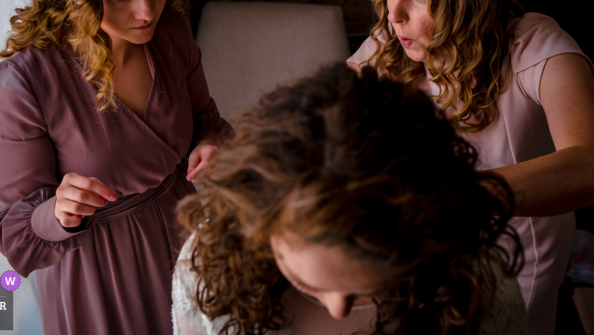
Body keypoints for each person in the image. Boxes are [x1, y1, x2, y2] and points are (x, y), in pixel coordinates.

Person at [0, 0, 232, 335]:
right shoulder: (22, 84)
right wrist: (57, 211)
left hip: (185, 244)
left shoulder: (171, 34)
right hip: (97, 278)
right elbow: (14, 236)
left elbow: (207, 122)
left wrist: (211, 144)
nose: (147, 12)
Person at [347, 0, 594, 335]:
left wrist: (453, 198)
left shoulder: (537, 45)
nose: (393, 12)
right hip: (420, 248)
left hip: (514, 260)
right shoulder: (391, 42)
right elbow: (322, 117)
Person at [172, 64, 527, 335]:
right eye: (308, 282)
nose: (338, 309)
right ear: (259, 226)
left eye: (369, 287)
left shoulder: (478, 287)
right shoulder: (206, 269)